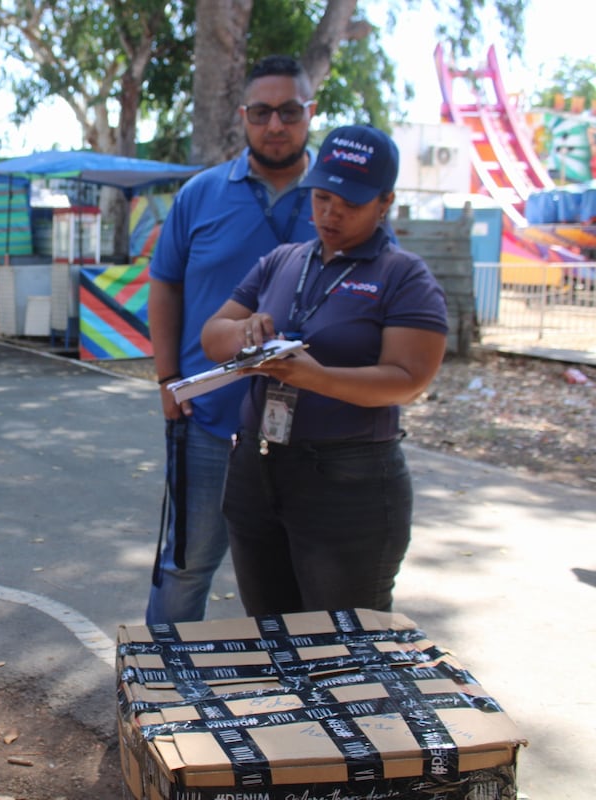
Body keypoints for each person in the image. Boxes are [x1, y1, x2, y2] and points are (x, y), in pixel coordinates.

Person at [201, 124, 449, 615]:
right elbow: (213, 336)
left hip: (347, 480)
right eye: (322, 197)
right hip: (259, 467)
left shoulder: (403, 275)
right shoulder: (283, 260)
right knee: (273, 635)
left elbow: (409, 379)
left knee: (347, 651)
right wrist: (246, 333)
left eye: (351, 204)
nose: (331, 213)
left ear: (385, 202)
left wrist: (314, 376)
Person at [145, 54, 320, 624]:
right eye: (262, 111)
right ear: (243, 116)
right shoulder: (200, 195)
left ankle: (294, 705)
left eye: (289, 111)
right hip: (209, 423)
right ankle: (159, 701)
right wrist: (168, 380)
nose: (276, 125)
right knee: (186, 567)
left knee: (297, 579)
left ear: (310, 113)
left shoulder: (339, 201)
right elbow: (165, 284)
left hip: (313, 433)